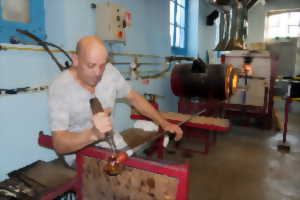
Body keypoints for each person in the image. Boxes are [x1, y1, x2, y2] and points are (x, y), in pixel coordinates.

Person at [48, 35, 183, 166]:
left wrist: (164, 123)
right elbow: (59, 144)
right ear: (76, 60)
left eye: (102, 65)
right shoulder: (61, 87)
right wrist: (93, 134)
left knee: (137, 173)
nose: (98, 72)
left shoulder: (109, 72)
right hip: (79, 153)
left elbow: (133, 97)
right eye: (91, 65)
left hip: (113, 143)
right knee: (107, 185)